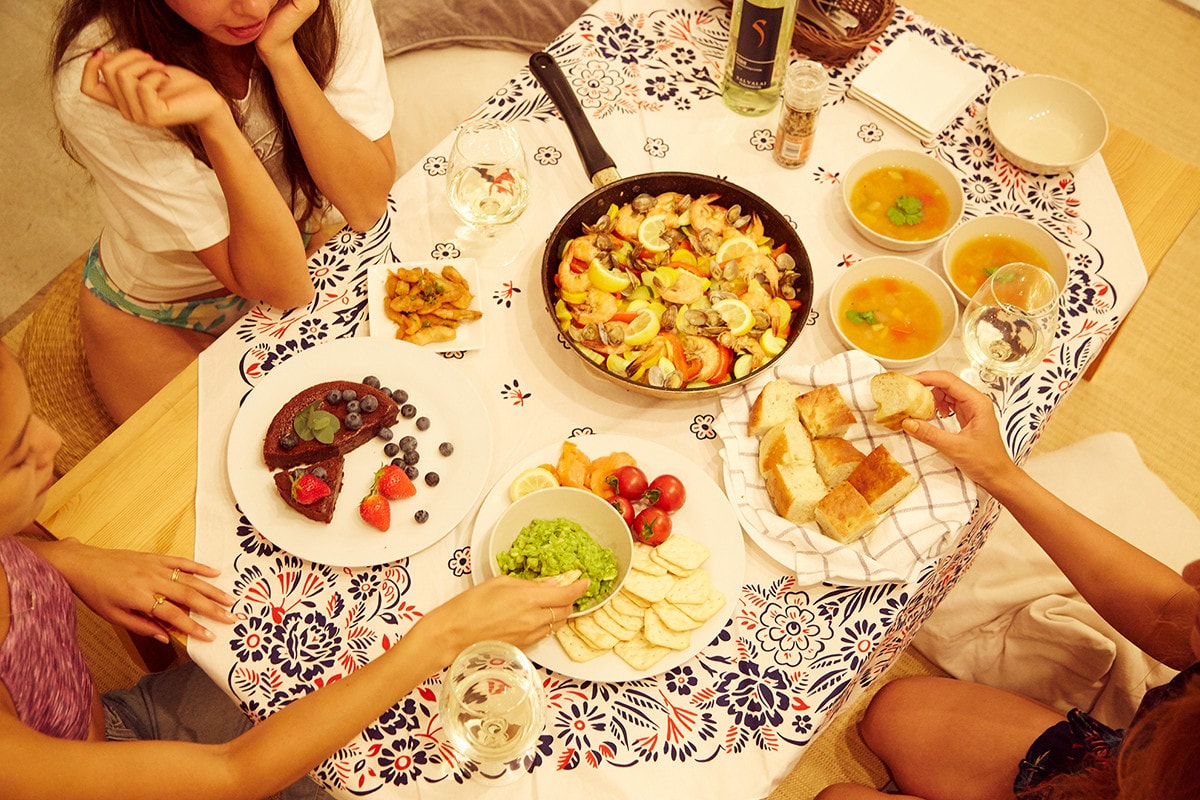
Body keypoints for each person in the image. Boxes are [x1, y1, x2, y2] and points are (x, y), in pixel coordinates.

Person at [0, 343, 588, 799]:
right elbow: (234, 774)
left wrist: (62, 556)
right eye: (16, 455)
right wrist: (444, 635)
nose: (54, 443)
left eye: (33, 421)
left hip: (109, 730)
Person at [816, 370, 1199, 800]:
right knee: (892, 712)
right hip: (1132, 759)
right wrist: (999, 472)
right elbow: (1170, 612)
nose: (1191, 575)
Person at [50, 0, 397, 422]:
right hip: (161, 314)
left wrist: (281, 53)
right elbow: (284, 285)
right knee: (219, 469)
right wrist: (215, 121)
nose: (253, 7)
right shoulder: (109, 76)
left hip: (298, 253)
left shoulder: (315, 9)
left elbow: (366, 204)